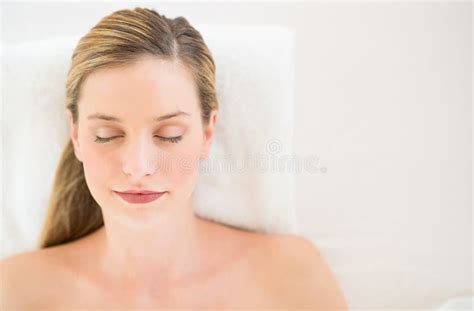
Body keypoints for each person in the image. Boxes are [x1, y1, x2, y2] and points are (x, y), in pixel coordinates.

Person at [0, 7, 348, 309]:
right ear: (76, 135)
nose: (138, 165)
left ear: (207, 133)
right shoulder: (17, 291)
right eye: (107, 136)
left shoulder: (289, 274)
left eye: (169, 136)